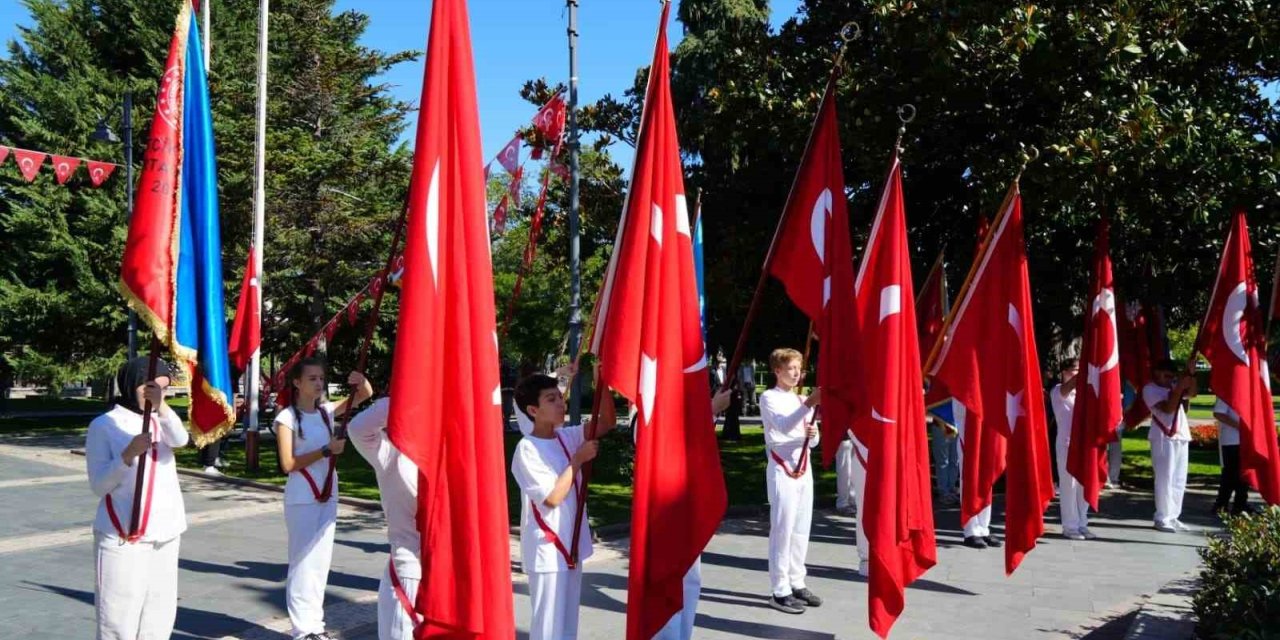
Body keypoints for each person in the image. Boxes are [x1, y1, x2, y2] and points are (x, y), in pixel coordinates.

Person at [85, 357, 189, 640]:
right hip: (123, 531)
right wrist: (127, 455)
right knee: (118, 614)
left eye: (162, 389)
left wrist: (163, 407)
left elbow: (180, 440)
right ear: (132, 383)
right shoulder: (105, 425)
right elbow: (99, 484)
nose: (154, 393)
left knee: (160, 612)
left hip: (166, 530)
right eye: (149, 386)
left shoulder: (162, 419)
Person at [511, 372, 616, 640]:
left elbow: (606, 422)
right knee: (548, 629)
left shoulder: (564, 437)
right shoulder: (527, 449)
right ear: (533, 410)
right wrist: (578, 460)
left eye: (560, 396)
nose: (561, 403)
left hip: (570, 546)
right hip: (548, 549)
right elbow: (551, 498)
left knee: (567, 627)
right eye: (551, 399)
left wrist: (601, 381)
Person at [274, 357, 373, 640]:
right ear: (297, 383)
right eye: (311, 379)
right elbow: (288, 464)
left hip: (328, 493)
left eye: (320, 378)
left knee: (319, 562)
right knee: (302, 561)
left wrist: (360, 379)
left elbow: (364, 394)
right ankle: (302, 629)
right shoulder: (287, 418)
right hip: (302, 496)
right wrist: (325, 451)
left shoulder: (325, 412)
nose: (318, 383)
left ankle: (315, 625)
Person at [346, 396, 422, 639]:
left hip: (447, 574)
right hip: (408, 569)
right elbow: (358, 428)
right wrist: (408, 394)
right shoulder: (392, 453)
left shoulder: (455, 455)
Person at [759, 348, 823, 614]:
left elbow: (814, 440)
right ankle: (780, 589)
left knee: (800, 528)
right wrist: (808, 406)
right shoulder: (768, 397)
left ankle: (797, 580)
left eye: (799, 369)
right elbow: (783, 427)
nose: (796, 374)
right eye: (791, 369)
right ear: (777, 371)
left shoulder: (800, 399)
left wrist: (813, 431)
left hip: (803, 468)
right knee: (783, 530)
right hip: (782, 467)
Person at [1143, 359, 1195, 533]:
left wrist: (1190, 374)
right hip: (1163, 437)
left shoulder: (1173, 386)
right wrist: (1179, 387)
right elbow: (1168, 409)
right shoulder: (1150, 389)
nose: (1169, 379)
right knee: (1165, 478)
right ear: (1156, 373)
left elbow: (1193, 394)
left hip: (1181, 434)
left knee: (1179, 480)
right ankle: (1162, 517)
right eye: (1166, 375)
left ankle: (1173, 516)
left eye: (1172, 376)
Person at [1050, 362, 1096, 541]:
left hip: (1085, 444)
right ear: (1064, 372)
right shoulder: (1058, 390)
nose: (1078, 373)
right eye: (1074, 370)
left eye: (1079, 369)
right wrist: (1086, 372)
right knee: (1069, 486)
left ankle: (1082, 523)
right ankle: (1070, 526)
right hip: (1067, 444)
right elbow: (1070, 385)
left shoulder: (1085, 394)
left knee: (1084, 485)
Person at [956, 401, 1002, 549]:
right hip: (968, 413)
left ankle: (983, 527)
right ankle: (970, 530)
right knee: (970, 473)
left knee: (986, 473)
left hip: (986, 412)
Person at [1210, 399, 1253, 516]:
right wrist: (1239, 426)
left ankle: (1240, 504)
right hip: (1231, 440)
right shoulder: (1226, 393)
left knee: (1243, 474)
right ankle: (1221, 504)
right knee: (1230, 474)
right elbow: (1218, 413)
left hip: (1246, 440)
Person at [929, 414, 960, 505]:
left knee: (954, 460)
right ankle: (944, 492)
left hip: (956, 424)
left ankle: (951, 488)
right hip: (940, 425)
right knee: (943, 461)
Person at [834, 431, 858, 515]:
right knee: (844, 471)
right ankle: (843, 503)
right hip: (843, 436)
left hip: (856, 435)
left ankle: (853, 500)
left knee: (854, 470)